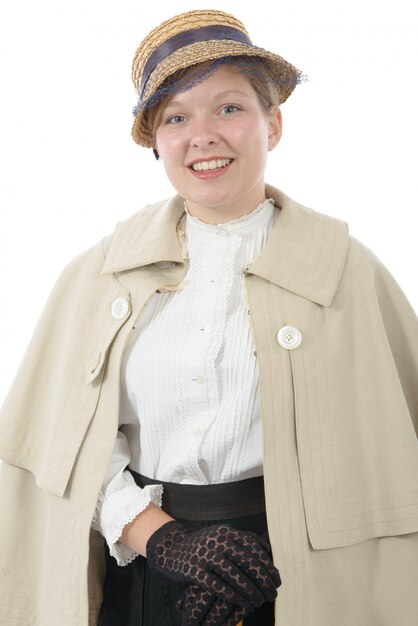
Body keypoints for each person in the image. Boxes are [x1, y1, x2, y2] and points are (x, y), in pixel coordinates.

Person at [0, 8, 417, 626]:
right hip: (144, 566)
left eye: (229, 108)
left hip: (300, 576)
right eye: (176, 117)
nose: (204, 136)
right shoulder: (100, 273)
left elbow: (391, 443)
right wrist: (164, 541)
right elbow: (64, 446)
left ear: (272, 124)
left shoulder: (348, 271)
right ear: (155, 141)